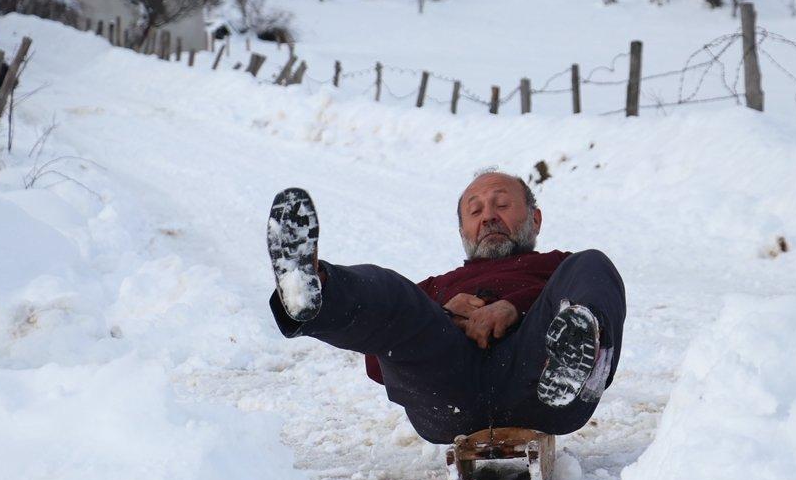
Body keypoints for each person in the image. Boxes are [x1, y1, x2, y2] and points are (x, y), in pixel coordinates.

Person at [266, 170, 626, 444]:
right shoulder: (436, 288)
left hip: (542, 387)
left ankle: (575, 363)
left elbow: (584, 282)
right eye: (475, 210)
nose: (488, 216)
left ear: (535, 219)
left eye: (502, 205)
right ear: (463, 230)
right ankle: (313, 288)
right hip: (449, 395)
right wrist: (440, 317)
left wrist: (515, 308)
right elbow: (380, 364)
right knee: (394, 292)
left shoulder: (558, 268)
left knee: (592, 264)